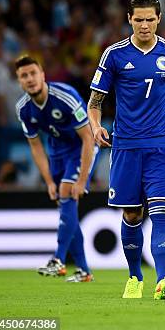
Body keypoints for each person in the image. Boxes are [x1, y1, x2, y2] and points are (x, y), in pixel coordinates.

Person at [87, 0, 165, 299]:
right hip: (125, 147)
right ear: (129, 20)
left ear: (159, 19)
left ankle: (163, 280)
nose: (145, 25)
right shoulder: (114, 55)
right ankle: (135, 277)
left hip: (162, 146)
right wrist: (95, 127)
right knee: (133, 214)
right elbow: (96, 101)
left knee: (161, 210)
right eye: (139, 20)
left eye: (150, 19)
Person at [15, 55, 96, 282]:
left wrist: (81, 181)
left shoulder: (65, 96)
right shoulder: (23, 108)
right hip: (57, 152)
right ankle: (84, 271)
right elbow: (36, 147)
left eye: (33, 73)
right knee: (66, 208)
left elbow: (88, 138)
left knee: (68, 192)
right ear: (19, 81)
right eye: (24, 76)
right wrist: (48, 180)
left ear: (42, 75)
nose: (29, 79)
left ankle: (58, 260)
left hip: (82, 147)